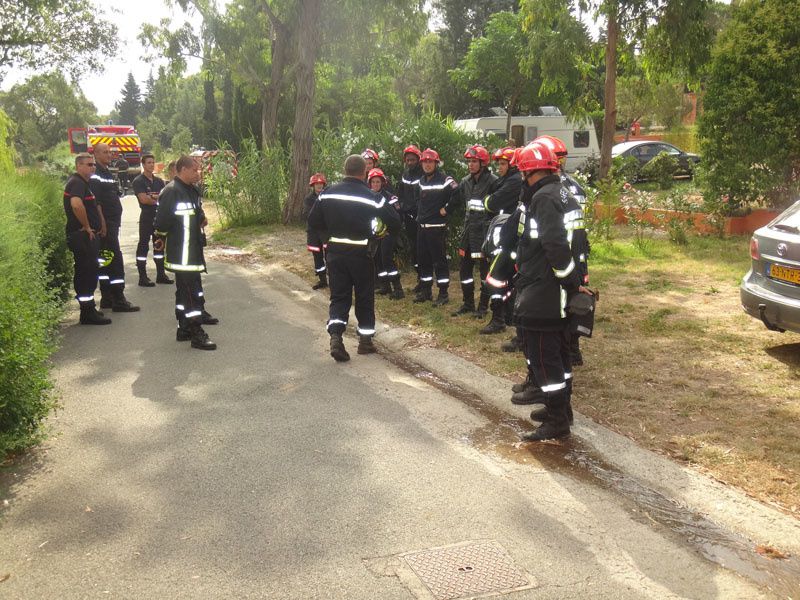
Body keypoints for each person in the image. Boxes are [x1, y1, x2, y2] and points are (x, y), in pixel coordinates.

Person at [486, 141, 590, 441]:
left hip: (545, 290)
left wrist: (568, 281)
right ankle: (562, 409)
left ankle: (557, 419)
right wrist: (572, 283)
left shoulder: (543, 198)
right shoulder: (561, 192)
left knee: (544, 356)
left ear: (530, 172)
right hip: (553, 290)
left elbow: (555, 245)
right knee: (558, 354)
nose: (521, 179)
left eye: (522, 174)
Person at [308, 154, 401, 362]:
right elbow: (395, 221)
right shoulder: (372, 196)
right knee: (364, 297)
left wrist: (328, 237)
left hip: (335, 254)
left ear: (344, 170)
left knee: (339, 297)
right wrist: (380, 233)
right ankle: (365, 342)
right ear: (364, 173)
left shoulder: (327, 193)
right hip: (361, 254)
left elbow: (313, 221)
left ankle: (335, 336)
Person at [534, 134, 591, 366]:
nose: (558, 162)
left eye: (560, 158)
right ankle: (567, 349)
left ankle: (572, 349)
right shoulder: (557, 187)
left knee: (573, 301)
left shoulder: (561, 189)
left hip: (568, 250)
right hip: (568, 250)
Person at [154, 156, 217, 350]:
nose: (198, 173)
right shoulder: (172, 191)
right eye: (194, 170)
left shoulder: (192, 190)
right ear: (182, 170)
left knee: (186, 291)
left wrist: (202, 219)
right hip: (182, 254)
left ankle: (183, 328)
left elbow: (197, 212)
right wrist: (160, 240)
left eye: (198, 170)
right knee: (190, 294)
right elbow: (161, 223)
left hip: (193, 250)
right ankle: (196, 332)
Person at [90, 143, 140, 312]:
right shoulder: (96, 174)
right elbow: (96, 202)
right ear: (95, 154)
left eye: (109, 152)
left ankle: (107, 297)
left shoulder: (107, 172)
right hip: (106, 225)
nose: (109, 155)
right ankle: (118, 298)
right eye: (105, 152)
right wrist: (102, 223)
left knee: (106, 259)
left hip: (112, 223)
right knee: (115, 260)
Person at [63, 153, 111, 325]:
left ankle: (89, 309)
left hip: (87, 235)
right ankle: (87, 312)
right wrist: (87, 226)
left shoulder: (85, 184)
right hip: (82, 235)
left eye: (93, 165)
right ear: (79, 166)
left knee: (90, 271)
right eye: (89, 165)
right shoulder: (76, 182)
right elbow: (76, 204)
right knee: (86, 272)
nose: (93, 167)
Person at [480, 147, 523, 335]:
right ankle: (507, 316)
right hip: (507, 232)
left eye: (503, 163)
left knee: (496, 278)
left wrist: (489, 200)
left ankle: (499, 319)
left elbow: (492, 203)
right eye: (498, 163)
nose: (499, 167)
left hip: (507, 235)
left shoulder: (514, 182)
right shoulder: (509, 180)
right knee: (508, 278)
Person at [452, 144, 497, 318]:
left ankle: (483, 307)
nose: (470, 165)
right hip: (468, 233)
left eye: (474, 161)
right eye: (469, 161)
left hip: (484, 234)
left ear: (483, 163)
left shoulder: (493, 182)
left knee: (485, 273)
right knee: (464, 271)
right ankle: (468, 303)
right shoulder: (465, 182)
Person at [414, 148, 457, 306]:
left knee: (439, 261)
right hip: (422, 226)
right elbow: (417, 198)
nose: (427, 165)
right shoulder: (421, 181)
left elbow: (457, 194)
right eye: (424, 162)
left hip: (436, 227)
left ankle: (443, 293)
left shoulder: (445, 179)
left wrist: (446, 209)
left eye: (430, 162)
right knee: (423, 260)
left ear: (436, 163)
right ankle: (426, 291)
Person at [132, 153, 172, 287]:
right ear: (143, 164)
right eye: (148, 162)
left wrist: (154, 198)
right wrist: (157, 198)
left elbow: (165, 199)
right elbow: (144, 199)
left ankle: (161, 274)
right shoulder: (138, 181)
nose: (151, 165)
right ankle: (142, 277)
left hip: (158, 218)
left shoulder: (159, 181)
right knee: (143, 246)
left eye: (152, 162)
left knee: (159, 245)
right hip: (146, 218)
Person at [368, 168, 404, 299]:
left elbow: (397, 217)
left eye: (378, 182)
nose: (376, 184)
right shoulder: (368, 197)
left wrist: (388, 231)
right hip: (376, 234)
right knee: (377, 259)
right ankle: (385, 286)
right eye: (373, 182)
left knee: (387, 259)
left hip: (389, 233)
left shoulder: (390, 198)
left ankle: (398, 289)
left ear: (382, 183)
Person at [396, 145, 423, 290]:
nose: (410, 162)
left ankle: (424, 279)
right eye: (408, 160)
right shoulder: (405, 174)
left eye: (412, 159)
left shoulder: (423, 174)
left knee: (421, 249)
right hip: (408, 217)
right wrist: (400, 206)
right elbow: (401, 191)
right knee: (414, 248)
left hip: (420, 217)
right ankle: (420, 277)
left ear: (418, 159)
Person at [304, 173, 328, 290]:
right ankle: (322, 280)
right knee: (317, 256)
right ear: (313, 185)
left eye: (320, 184)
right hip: (313, 232)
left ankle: (333, 279)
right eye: (316, 184)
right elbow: (309, 215)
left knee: (329, 256)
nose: (319, 186)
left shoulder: (328, 197)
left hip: (325, 232)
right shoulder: (309, 199)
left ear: (324, 184)